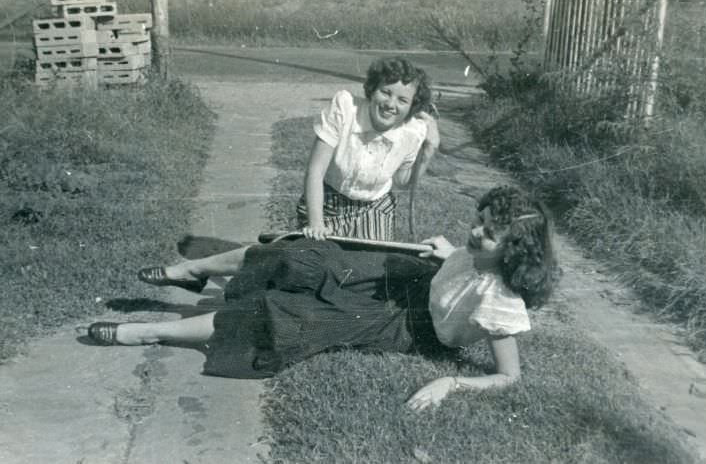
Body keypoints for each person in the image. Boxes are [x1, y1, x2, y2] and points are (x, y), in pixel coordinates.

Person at [88, 186, 558, 410]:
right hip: (412, 279)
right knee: (304, 256)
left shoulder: (504, 304)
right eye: (478, 222)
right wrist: (450, 253)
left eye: (488, 234)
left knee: (294, 317)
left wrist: (449, 384)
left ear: (514, 250)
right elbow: (461, 269)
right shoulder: (473, 254)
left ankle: (150, 331)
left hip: (407, 327)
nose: (475, 232)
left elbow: (508, 377)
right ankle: (193, 271)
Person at [298, 56, 440, 241]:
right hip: (327, 201)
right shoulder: (346, 108)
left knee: (369, 263)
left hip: (373, 207)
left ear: (412, 106)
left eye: (402, 100)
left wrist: (428, 152)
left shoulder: (412, 131)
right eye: (385, 92)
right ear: (372, 90)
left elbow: (403, 180)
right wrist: (316, 223)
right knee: (320, 259)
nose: (391, 104)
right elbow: (316, 170)